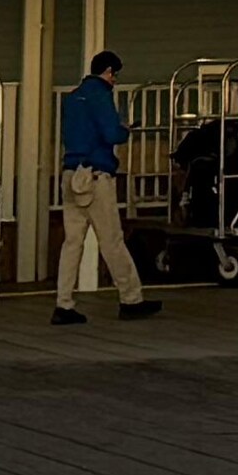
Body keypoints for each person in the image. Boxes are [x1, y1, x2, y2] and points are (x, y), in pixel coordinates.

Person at [50, 49, 155, 325]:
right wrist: (125, 130)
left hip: (71, 174)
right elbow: (110, 133)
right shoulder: (101, 95)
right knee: (112, 240)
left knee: (72, 242)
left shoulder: (72, 99)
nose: (115, 80)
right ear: (108, 72)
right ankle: (131, 299)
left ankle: (63, 304)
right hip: (96, 175)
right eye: (115, 75)